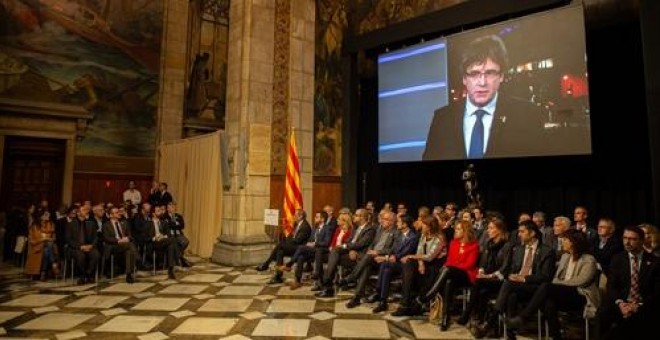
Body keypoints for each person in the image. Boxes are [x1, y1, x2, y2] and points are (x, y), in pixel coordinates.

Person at [423, 34, 547, 160]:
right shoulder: (442, 118)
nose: (482, 82)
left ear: (501, 76)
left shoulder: (528, 114)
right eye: (474, 74)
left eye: (490, 73)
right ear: (464, 79)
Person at [505, 230, 600, 340]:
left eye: (565, 240)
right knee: (548, 302)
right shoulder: (565, 257)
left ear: (574, 242)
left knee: (547, 286)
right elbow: (555, 278)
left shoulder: (588, 259)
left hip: (580, 295)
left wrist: (559, 284)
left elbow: (581, 281)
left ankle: (523, 318)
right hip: (563, 293)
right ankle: (556, 336)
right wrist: (558, 285)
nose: (562, 242)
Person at [417, 220, 480, 331]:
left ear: (465, 231)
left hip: (467, 276)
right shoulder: (453, 243)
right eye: (456, 228)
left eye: (459, 229)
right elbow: (449, 260)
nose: (456, 231)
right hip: (452, 273)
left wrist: (452, 266)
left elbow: (468, 265)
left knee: (447, 269)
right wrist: (451, 266)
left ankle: (429, 295)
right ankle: (446, 318)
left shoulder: (473, 245)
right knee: (448, 281)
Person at [599, 225, 660, 339]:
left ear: (642, 241)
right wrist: (621, 304)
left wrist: (638, 305)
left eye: (632, 239)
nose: (627, 242)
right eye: (625, 238)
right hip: (622, 302)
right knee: (604, 314)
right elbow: (611, 286)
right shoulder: (617, 259)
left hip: (644, 304)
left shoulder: (655, 262)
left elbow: (657, 292)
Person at [256, 209, 312, 284]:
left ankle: (266, 264)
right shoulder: (297, 224)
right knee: (280, 251)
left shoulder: (305, 226)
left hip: (300, 248)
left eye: (295, 215)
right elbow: (292, 237)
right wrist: (286, 241)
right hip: (294, 247)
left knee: (280, 245)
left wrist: (286, 243)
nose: (293, 216)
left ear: (301, 216)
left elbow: (297, 241)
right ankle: (278, 276)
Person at [102, 207, 138, 283]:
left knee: (128, 249)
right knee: (130, 245)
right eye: (116, 212)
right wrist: (118, 240)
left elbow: (130, 235)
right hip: (113, 246)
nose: (119, 213)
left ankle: (128, 274)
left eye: (118, 212)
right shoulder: (106, 225)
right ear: (111, 215)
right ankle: (137, 262)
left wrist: (127, 238)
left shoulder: (124, 223)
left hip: (125, 245)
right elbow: (106, 238)